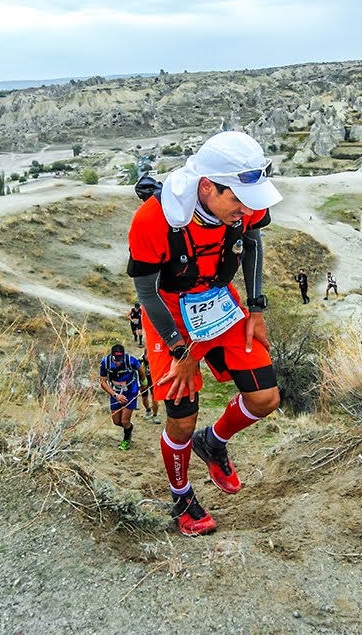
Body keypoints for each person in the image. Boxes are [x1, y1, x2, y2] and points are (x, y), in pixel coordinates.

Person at [127, 130, 282, 536]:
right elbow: (145, 291)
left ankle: (213, 442)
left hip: (220, 300)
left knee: (265, 397)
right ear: (208, 186)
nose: (247, 208)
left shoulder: (243, 205)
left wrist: (256, 308)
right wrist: (181, 351)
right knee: (181, 414)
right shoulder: (153, 219)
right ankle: (181, 497)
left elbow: (252, 242)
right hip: (170, 311)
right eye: (238, 200)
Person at [99, 343, 141, 450]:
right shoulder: (105, 362)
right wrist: (115, 395)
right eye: (116, 359)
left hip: (131, 391)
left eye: (120, 359)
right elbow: (103, 382)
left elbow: (141, 370)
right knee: (116, 422)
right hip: (115, 392)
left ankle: (126, 440)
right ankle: (129, 428)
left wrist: (144, 382)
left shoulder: (130, 361)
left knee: (124, 420)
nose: (118, 362)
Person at [138, 353, 160, 423]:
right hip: (143, 379)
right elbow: (136, 373)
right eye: (148, 356)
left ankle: (155, 415)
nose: (149, 358)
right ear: (145, 355)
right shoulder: (139, 361)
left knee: (155, 398)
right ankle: (148, 410)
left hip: (153, 380)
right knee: (144, 398)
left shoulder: (155, 359)